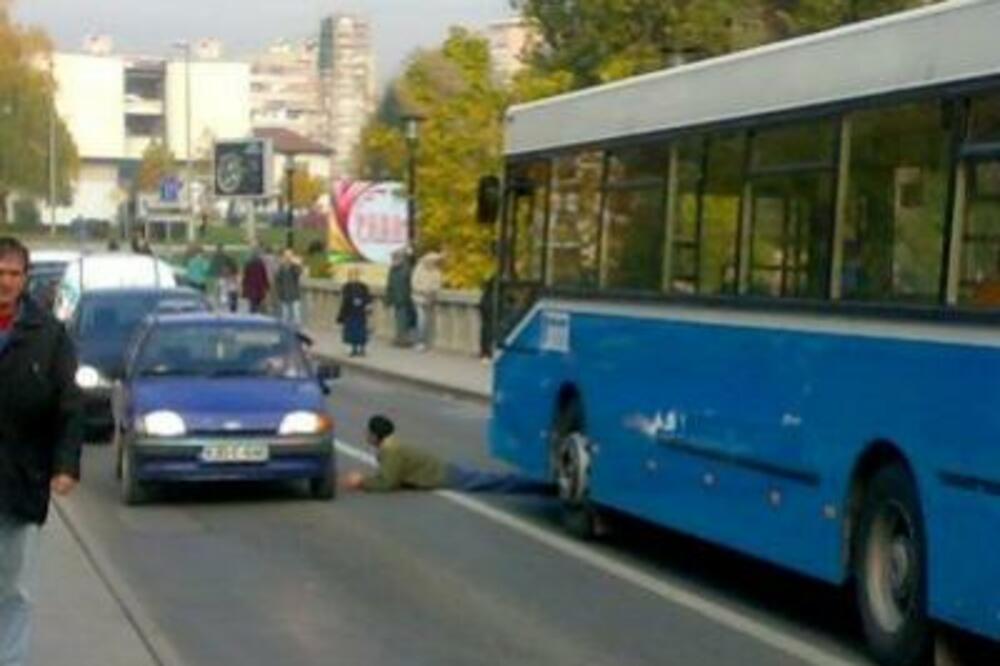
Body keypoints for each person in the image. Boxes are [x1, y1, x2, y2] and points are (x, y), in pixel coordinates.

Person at [0, 237, 83, 666]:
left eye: (13, 274)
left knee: (12, 586)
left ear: (25, 279)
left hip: (20, 479)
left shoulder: (48, 336)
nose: (5, 282)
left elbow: (70, 405)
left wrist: (66, 465)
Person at [342, 415, 553, 494]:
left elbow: (387, 482)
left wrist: (361, 481)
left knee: (496, 482)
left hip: (445, 474)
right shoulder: (390, 447)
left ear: (375, 434)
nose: (365, 435)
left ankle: (542, 485)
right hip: (445, 470)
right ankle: (541, 484)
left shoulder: (391, 451)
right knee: (493, 480)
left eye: (368, 431)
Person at [411, 251, 443, 352]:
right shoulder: (419, 269)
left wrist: (432, 290)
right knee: (421, 319)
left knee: (428, 321)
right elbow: (414, 283)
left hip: (430, 299)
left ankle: (426, 342)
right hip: (419, 298)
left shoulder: (437, 272)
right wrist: (424, 290)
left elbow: (437, 285)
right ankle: (420, 341)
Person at [337, 267, 372, 357]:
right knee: (351, 332)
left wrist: (366, 304)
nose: (354, 277)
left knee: (361, 331)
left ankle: (361, 348)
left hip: (360, 312)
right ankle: (353, 348)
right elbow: (344, 300)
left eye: (356, 275)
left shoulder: (363, 286)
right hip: (350, 312)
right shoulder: (346, 287)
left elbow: (368, 298)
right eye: (352, 276)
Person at [384, 249, 415, 347]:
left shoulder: (407, 269)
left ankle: (403, 340)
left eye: (395, 258)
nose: (393, 260)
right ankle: (400, 338)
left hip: (405, 298)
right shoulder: (393, 270)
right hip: (397, 298)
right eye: (393, 258)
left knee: (403, 320)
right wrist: (388, 300)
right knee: (399, 319)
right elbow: (389, 285)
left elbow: (411, 284)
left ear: (401, 259)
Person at [274, 249, 304, 327]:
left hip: (294, 294)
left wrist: (297, 265)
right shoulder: (281, 268)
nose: (288, 258)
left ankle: (296, 329)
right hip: (284, 294)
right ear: (284, 257)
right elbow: (278, 281)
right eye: (286, 256)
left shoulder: (294, 268)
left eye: (290, 256)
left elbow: (298, 274)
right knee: (285, 315)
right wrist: (279, 292)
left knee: (296, 314)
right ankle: (286, 329)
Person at [209, 244, 239, 313]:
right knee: (228, 297)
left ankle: (228, 309)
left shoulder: (219, 258)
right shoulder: (219, 258)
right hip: (226, 282)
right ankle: (230, 310)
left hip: (225, 282)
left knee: (226, 296)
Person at [242, 247, 270, 314]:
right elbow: (264, 276)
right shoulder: (261, 264)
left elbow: (246, 276)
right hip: (259, 287)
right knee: (257, 303)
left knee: (252, 303)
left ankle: (253, 315)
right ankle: (256, 314)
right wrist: (267, 286)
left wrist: (244, 286)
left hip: (251, 286)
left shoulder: (248, 264)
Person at [478, 273, 497, 362]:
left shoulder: (488, 289)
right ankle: (486, 352)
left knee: (486, 330)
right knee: (488, 331)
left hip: (486, 307)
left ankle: (485, 352)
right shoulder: (495, 288)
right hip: (489, 308)